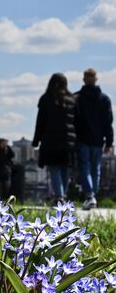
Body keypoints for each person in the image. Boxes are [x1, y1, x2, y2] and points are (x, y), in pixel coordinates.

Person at [32, 73, 76, 203]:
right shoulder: (71, 100)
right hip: (68, 141)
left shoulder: (46, 99)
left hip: (50, 140)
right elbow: (77, 121)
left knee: (54, 168)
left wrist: (36, 140)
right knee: (65, 169)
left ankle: (59, 196)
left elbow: (40, 122)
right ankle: (63, 195)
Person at [74, 68, 114, 210]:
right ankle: (93, 196)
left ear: (84, 79)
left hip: (82, 138)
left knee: (84, 167)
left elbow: (72, 120)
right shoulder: (104, 99)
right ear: (96, 79)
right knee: (95, 168)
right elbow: (108, 122)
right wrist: (109, 142)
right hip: (98, 139)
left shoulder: (77, 98)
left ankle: (90, 194)